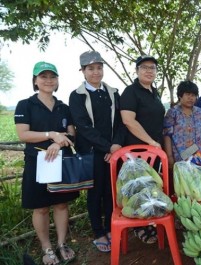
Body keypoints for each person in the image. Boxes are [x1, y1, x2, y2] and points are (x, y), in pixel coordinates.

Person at [14, 61, 77, 264]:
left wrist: (58, 144)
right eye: (43, 77)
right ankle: (46, 247)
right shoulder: (25, 105)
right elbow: (24, 134)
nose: (48, 81)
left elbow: (72, 134)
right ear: (35, 80)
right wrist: (51, 135)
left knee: (61, 204)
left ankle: (61, 243)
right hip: (36, 162)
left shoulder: (64, 107)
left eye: (52, 77)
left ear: (57, 81)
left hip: (61, 160)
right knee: (40, 207)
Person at [69, 51, 126, 252]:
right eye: (91, 68)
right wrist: (107, 146)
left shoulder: (112, 92)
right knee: (95, 193)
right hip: (92, 152)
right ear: (83, 71)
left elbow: (121, 123)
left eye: (99, 68)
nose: (96, 72)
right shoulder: (77, 96)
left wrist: (116, 146)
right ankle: (98, 232)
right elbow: (83, 127)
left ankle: (111, 228)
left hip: (113, 152)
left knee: (111, 192)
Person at [119, 55, 165, 244]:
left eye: (152, 68)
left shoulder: (154, 92)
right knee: (136, 188)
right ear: (137, 71)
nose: (149, 70)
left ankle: (149, 222)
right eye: (144, 67)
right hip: (136, 152)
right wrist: (150, 142)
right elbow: (128, 120)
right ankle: (138, 227)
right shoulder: (131, 91)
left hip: (154, 151)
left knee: (151, 188)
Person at [163, 80, 201, 168]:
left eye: (193, 95)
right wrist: (169, 156)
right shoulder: (172, 113)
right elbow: (167, 135)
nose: (190, 98)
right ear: (180, 95)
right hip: (180, 160)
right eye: (187, 94)